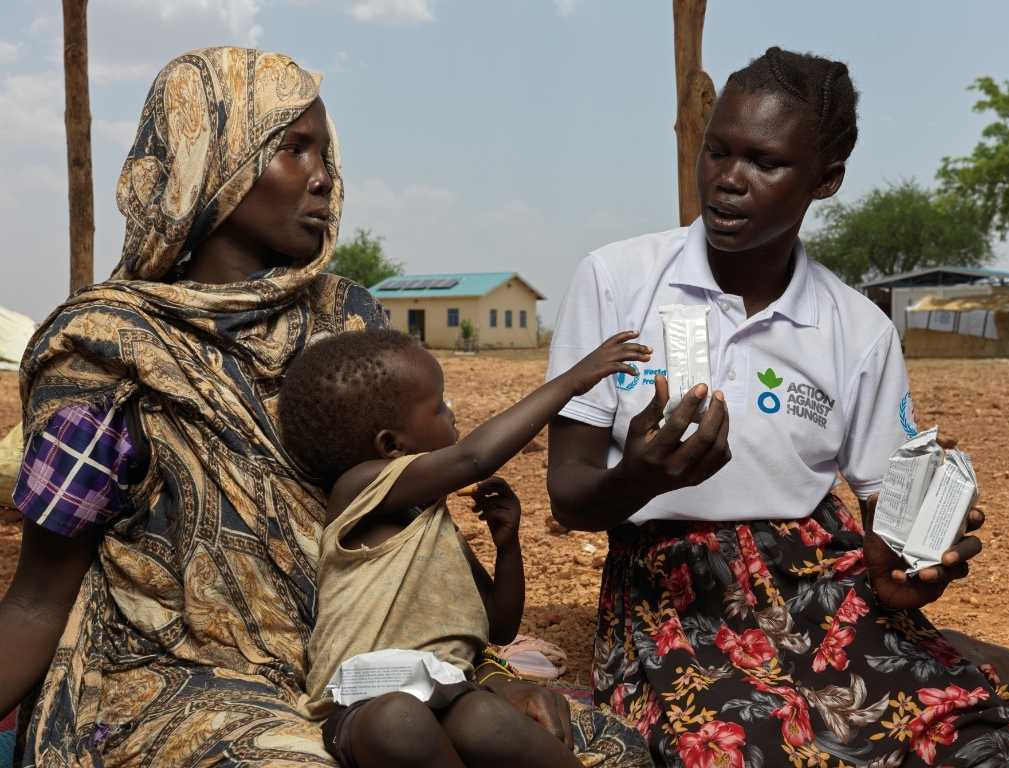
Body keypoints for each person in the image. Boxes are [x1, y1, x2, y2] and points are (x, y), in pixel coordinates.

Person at [0, 47, 639, 767]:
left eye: (325, 152)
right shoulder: (107, 353)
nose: (325, 178)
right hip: (177, 688)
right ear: (210, 160)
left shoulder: (351, 324)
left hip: (365, 675)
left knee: (603, 750)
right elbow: (37, 597)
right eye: (293, 150)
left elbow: (415, 552)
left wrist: (480, 677)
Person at [545, 47, 1009, 767]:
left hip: (818, 580)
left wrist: (911, 567)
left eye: (765, 163)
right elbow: (569, 496)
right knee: (738, 749)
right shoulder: (617, 280)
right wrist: (643, 478)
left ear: (825, 181)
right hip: (673, 593)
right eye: (718, 152)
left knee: (983, 736)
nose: (728, 180)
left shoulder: (855, 327)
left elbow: (889, 526)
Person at [278, 328, 654, 767]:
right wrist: (573, 380)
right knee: (399, 719)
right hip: (360, 705)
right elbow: (474, 458)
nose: (451, 412)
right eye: (438, 405)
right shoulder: (358, 492)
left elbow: (500, 628)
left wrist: (507, 547)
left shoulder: (432, 525)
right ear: (391, 446)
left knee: (483, 716)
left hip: (448, 694)